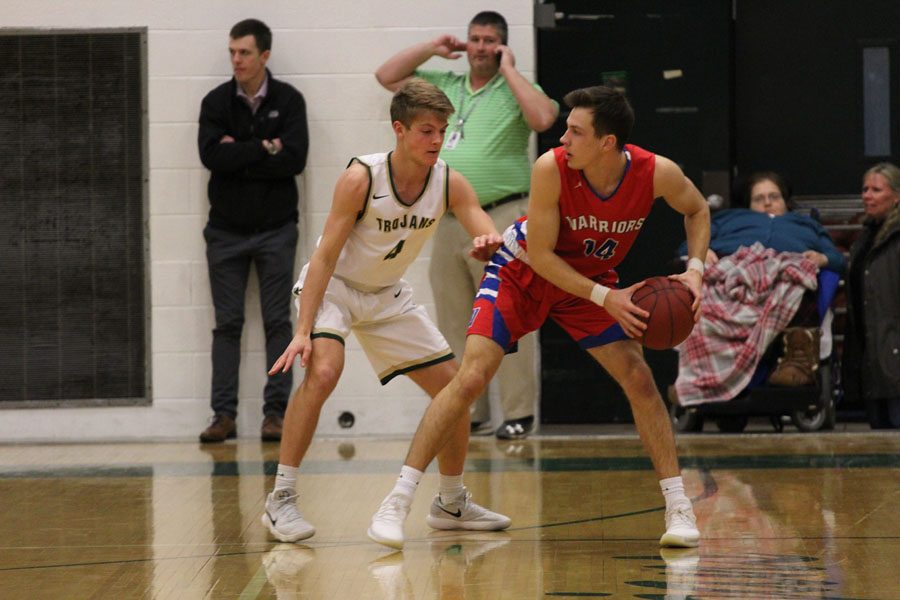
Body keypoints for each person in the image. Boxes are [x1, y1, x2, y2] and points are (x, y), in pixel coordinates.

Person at [368, 85, 711, 549]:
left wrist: (695, 270)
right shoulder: (551, 168)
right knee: (469, 379)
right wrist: (605, 297)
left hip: (587, 284)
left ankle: (678, 507)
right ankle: (398, 501)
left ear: (607, 143)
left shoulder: (657, 173)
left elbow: (697, 209)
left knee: (639, 377)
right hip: (522, 272)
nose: (562, 139)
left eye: (574, 131)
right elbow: (544, 257)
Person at [260, 79, 511, 544]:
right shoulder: (362, 178)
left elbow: (484, 230)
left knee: (456, 390)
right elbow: (327, 255)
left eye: (442, 131)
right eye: (426, 131)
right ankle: (281, 499)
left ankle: (452, 502)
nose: (436, 140)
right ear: (399, 129)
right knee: (323, 371)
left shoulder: (449, 181)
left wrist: (487, 242)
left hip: (387, 294)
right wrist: (302, 329)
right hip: (334, 287)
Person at [375, 11, 559, 440]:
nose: (479, 47)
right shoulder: (447, 85)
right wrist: (431, 48)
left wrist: (511, 69)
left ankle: (517, 412)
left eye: (489, 41)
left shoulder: (515, 87)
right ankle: (468, 410)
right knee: (454, 316)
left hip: (501, 214)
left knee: (508, 314)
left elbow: (543, 120)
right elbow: (386, 76)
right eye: (474, 39)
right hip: (448, 216)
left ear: (502, 46)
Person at [197, 19, 309, 443]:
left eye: (244, 53)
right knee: (227, 324)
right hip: (225, 232)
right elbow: (211, 157)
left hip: (276, 230)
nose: (236, 60)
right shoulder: (215, 102)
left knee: (279, 322)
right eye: (232, 52)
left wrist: (239, 151)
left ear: (264, 55)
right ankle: (222, 415)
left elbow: (294, 159)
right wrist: (266, 146)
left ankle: (275, 414)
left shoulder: (289, 101)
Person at [671, 172, 846, 405]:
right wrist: (701, 251)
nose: (767, 202)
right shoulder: (729, 219)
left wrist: (822, 258)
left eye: (774, 196)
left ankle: (797, 361)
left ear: (785, 201)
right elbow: (687, 244)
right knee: (701, 285)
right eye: (759, 198)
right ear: (748, 204)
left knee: (803, 276)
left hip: (787, 271)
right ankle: (698, 378)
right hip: (732, 271)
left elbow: (837, 259)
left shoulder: (806, 225)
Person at [842, 162, 900, 429]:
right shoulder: (864, 239)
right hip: (871, 362)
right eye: (865, 189)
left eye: (876, 189)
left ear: (897, 195)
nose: (867, 195)